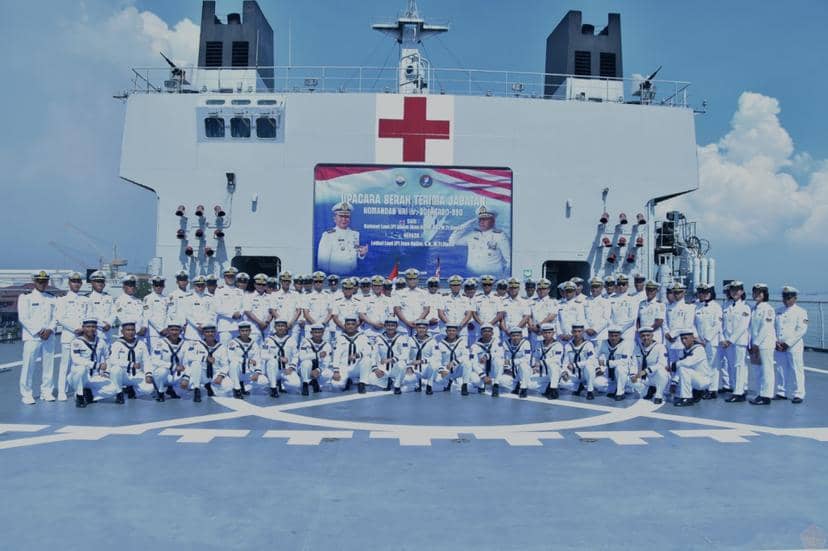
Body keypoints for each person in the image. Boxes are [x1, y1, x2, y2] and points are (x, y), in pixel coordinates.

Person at [18, 270, 57, 404]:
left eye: (44, 281)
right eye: (39, 281)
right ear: (34, 281)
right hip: (32, 337)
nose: (42, 284)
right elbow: (23, 317)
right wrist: (40, 331)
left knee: (48, 366)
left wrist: (50, 329)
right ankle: (26, 393)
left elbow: (55, 317)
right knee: (28, 366)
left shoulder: (52, 298)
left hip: (49, 336)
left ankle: (47, 391)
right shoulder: (25, 297)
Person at [448, 205, 510, 276]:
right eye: (480, 219)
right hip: (471, 277)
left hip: (491, 278)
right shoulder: (472, 235)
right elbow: (452, 241)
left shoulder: (500, 237)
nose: (482, 222)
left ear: (493, 221)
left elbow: (509, 260)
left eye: (485, 219)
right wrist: (468, 224)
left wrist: (503, 276)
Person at [54, 272, 87, 401]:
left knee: (79, 365)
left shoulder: (85, 300)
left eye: (78, 282)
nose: (76, 284)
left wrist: (84, 329)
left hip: (82, 337)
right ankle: (62, 391)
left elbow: (88, 316)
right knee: (65, 365)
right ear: (69, 283)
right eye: (73, 281)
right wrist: (75, 328)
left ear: (81, 283)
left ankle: (77, 390)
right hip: (69, 336)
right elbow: (60, 318)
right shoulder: (62, 300)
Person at [181, 324, 233, 402]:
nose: (210, 334)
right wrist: (205, 358)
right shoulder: (197, 345)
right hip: (201, 374)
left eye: (212, 332)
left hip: (215, 373)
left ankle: (210, 387)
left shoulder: (221, 347)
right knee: (195, 364)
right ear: (203, 333)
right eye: (207, 332)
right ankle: (197, 389)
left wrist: (220, 376)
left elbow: (225, 365)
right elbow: (189, 360)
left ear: (215, 333)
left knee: (228, 386)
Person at [774, 285, 808, 403]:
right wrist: (775, 341)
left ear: (795, 298)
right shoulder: (777, 311)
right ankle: (781, 392)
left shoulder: (801, 312)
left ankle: (798, 393)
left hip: (794, 346)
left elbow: (801, 330)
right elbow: (773, 328)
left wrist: (787, 343)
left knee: (796, 369)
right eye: (784, 297)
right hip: (779, 345)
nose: (786, 300)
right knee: (780, 368)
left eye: (788, 297)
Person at [68, 319, 111, 408]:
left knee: (113, 389)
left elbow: (108, 357)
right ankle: (79, 395)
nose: (91, 329)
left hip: (95, 376)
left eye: (93, 327)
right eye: (88, 327)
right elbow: (76, 360)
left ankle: (89, 393)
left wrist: (107, 372)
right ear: (83, 328)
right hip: (79, 377)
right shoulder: (76, 342)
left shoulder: (101, 342)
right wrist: (96, 365)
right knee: (81, 368)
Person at [719, 281, 751, 402]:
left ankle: (739, 392)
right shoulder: (726, 306)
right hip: (727, 342)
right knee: (732, 366)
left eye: (737, 290)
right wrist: (723, 339)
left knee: (739, 366)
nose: (734, 292)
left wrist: (731, 340)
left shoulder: (745, 307)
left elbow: (742, 326)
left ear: (741, 291)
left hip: (738, 342)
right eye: (732, 290)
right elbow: (722, 324)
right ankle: (734, 388)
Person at [317, 201, 368, 273]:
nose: (344, 219)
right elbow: (322, 263)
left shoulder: (355, 234)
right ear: (334, 218)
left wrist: (361, 254)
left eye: (347, 217)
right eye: (341, 216)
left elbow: (353, 254)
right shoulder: (328, 235)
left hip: (352, 276)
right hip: (336, 277)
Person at [108, 321, 151, 400]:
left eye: (132, 330)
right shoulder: (117, 344)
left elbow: (147, 360)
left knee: (149, 389)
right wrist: (130, 364)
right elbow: (113, 360)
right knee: (115, 369)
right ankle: (119, 392)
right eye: (128, 330)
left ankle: (133, 390)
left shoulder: (141, 344)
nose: (130, 332)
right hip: (123, 375)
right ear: (122, 332)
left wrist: (148, 374)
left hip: (137, 374)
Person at [693, 283, 723, 398]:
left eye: (706, 292)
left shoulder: (716, 307)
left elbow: (717, 325)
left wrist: (706, 339)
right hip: (698, 341)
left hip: (711, 341)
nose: (703, 294)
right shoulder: (696, 306)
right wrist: (697, 337)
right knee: (700, 365)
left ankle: (712, 389)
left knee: (712, 366)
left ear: (711, 293)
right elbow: (693, 323)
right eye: (700, 292)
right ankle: (702, 387)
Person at [749, 283, 776, 405]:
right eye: (755, 292)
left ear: (764, 294)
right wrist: (751, 343)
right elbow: (751, 328)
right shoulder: (754, 308)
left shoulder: (768, 309)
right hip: (755, 344)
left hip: (765, 344)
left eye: (759, 292)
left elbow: (765, 328)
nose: (756, 294)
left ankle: (766, 396)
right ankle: (760, 393)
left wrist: (756, 343)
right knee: (758, 370)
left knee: (767, 370)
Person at [148, 320, 187, 402]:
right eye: (172, 330)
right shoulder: (160, 343)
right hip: (165, 373)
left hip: (177, 373)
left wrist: (186, 377)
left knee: (191, 374)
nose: (174, 332)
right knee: (161, 371)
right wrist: (173, 366)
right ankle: (160, 392)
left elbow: (187, 362)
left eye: (177, 330)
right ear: (168, 331)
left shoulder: (185, 344)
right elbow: (154, 360)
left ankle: (172, 389)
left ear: (180, 331)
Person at [333, 316, 373, 393]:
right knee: (336, 385)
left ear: (356, 326)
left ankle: (362, 383)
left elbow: (369, 350)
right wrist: (336, 371)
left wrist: (358, 355)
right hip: (344, 367)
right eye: (348, 324)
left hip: (357, 366)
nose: (350, 326)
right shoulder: (340, 338)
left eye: (353, 324)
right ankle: (348, 381)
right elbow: (336, 355)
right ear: (345, 326)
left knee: (367, 359)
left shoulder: (362, 337)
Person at [672, 330, 711, 407]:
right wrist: (674, 382)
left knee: (683, 369)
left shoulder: (699, 349)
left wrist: (674, 364)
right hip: (693, 379)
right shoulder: (682, 351)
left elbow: (688, 362)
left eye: (686, 338)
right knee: (681, 370)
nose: (683, 341)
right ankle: (697, 392)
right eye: (682, 339)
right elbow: (679, 368)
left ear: (692, 338)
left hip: (703, 380)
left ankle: (687, 398)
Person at [374, 318, 413, 394]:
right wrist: (375, 368)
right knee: (371, 378)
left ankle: (397, 386)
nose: (390, 327)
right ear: (384, 326)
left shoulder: (402, 338)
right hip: (383, 366)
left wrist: (392, 359)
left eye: (392, 325)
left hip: (396, 365)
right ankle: (386, 383)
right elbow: (374, 354)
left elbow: (405, 354)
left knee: (402, 364)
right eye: (388, 325)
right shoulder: (379, 338)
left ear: (396, 326)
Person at [429, 323, 470, 394]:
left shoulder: (462, 342)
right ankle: (449, 383)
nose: (451, 332)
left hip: (457, 369)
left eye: (453, 331)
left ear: (457, 332)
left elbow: (466, 355)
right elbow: (437, 359)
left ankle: (464, 386)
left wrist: (454, 362)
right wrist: (441, 370)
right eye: (449, 330)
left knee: (467, 363)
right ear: (446, 331)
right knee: (437, 383)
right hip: (446, 369)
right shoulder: (440, 344)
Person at [596, 327, 636, 401]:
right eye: (611, 336)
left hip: (624, 373)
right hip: (609, 372)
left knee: (620, 368)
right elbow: (594, 357)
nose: (613, 338)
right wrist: (598, 368)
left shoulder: (626, 344)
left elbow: (624, 361)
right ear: (608, 335)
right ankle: (614, 388)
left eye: (616, 336)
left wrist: (606, 362)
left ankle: (620, 392)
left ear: (620, 335)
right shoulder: (602, 343)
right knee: (597, 383)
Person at [632, 326, 669, 405]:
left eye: (648, 335)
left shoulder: (660, 347)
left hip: (656, 376)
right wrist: (633, 375)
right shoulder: (637, 348)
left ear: (652, 336)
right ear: (640, 337)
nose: (646, 338)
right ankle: (650, 389)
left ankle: (658, 395)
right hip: (644, 378)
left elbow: (662, 364)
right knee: (628, 378)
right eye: (643, 336)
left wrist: (646, 371)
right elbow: (633, 363)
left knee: (662, 372)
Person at [227, 321, 264, 399]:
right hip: (238, 370)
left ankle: (242, 384)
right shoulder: (233, 342)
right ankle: (237, 389)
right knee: (233, 364)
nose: (245, 333)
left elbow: (257, 358)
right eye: (242, 331)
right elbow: (231, 357)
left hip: (249, 370)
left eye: (247, 330)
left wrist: (257, 372)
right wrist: (247, 361)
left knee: (263, 381)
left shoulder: (254, 344)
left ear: (250, 331)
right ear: (239, 331)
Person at [262, 319, 298, 397]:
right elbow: (263, 355)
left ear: (286, 327)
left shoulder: (291, 340)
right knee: (271, 362)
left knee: (296, 385)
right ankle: (273, 388)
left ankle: (281, 384)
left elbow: (296, 356)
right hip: (274, 369)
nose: (280, 328)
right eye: (278, 326)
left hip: (286, 368)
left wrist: (291, 367)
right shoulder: (268, 340)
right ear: (275, 327)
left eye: (282, 326)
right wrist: (277, 357)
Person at [561, 324, 598, 399]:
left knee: (590, 367)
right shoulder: (568, 346)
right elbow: (565, 362)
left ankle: (590, 391)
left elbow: (591, 360)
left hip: (585, 373)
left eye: (579, 331)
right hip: (574, 373)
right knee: (562, 382)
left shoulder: (588, 344)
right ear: (572, 332)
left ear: (583, 332)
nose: (577, 334)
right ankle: (579, 387)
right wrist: (564, 371)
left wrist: (575, 365)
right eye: (574, 331)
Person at [531, 323, 565, 399]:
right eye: (545, 333)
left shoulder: (558, 345)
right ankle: (547, 387)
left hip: (554, 372)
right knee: (530, 385)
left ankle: (553, 390)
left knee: (553, 366)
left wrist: (541, 362)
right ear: (542, 333)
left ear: (553, 333)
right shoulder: (539, 344)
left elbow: (556, 359)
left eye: (549, 332)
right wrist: (533, 366)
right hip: (542, 372)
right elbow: (535, 357)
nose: (547, 335)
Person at [297, 323, 332, 395]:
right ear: (311, 333)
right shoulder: (305, 342)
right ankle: (305, 384)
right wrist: (317, 355)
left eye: (319, 332)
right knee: (306, 363)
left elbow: (327, 361)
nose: (317, 334)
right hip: (306, 370)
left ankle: (315, 382)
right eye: (315, 332)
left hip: (318, 369)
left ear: (323, 333)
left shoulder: (327, 345)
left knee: (329, 374)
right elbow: (301, 357)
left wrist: (319, 370)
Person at [470, 323, 505, 396]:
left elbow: (501, 355)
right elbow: (473, 363)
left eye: (489, 331)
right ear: (481, 333)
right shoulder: (475, 346)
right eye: (484, 331)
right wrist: (483, 376)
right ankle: (482, 386)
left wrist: (488, 356)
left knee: (499, 360)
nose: (487, 333)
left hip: (493, 371)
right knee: (474, 379)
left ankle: (496, 384)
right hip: (481, 371)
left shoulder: (497, 342)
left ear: (492, 333)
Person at [393, 269, 429, 335]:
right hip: (403, 326)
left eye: (414, 279)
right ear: (406, 280)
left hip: (418, 326)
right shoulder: (399, 293)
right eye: (410, 279)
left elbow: (426, 310)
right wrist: (407, 322)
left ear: (418, 280)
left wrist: (417, 321)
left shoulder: (424, 293)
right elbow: (397, 310)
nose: (412, 281)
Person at [214, 267, 244, 344]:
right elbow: (217, 308)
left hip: (237, 326)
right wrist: (232, 314)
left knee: (237, 349)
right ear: (224, 277)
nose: (230, 278)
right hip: (225, 327)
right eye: (228, 276)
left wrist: (240, 313)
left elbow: (243, 306)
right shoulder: (219, 290)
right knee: (224, 349)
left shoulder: (240, 291)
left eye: (232, 276)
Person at [439, 275, 473, 342]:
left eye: (457, 285)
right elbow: (440, 313)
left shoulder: (466, 299)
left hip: (461, 330)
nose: (455, 287)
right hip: (446, 330)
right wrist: (450, 326)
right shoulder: (443, 298)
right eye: (453, 285)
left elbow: (469, 314)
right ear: (450, 286)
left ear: (461, 286)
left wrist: (460, 325)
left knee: (462, 347)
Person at [408, 319, 437, 392]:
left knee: (434, 364)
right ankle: (418, 383)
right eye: (419, 328)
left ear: (427, 329)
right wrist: (408, 366)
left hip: (426, 368)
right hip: (413, 367)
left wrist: (422, 361)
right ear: (416, 328)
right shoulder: (410, 340)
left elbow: (437, 357)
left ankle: (429, 385)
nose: (421, 330)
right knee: (405, 382)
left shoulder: (433, 341)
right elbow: (404, 355)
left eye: (423, 328)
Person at [503, 326, 533, 398]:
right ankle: (516, 385)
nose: (515, 338)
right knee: (501, 381)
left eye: (517, 335)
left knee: (523, 365)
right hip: (511, 370)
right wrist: (506, 368)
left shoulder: (526, 343)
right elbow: (504, 358)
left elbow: (527, 359)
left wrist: (512, 362)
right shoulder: (505, 343)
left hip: (523, 370)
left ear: (521, 336)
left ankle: (523, 388)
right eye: (513, 336)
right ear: (510, 336)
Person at [183, 275, 215, 341]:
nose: (200, 287)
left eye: (202, 285)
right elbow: (188, 315)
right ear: (194, 286)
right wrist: (197, 326)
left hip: (206, 330)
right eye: (198, 285)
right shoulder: (188, 298)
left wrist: (204, 325)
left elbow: (211, 313)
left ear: (205, 286)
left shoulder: (210, 298)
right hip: (192, 331)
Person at [529, 278, 558, 349]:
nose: (542, 291)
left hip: (546, 332)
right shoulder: (532, 301)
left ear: (548, 290)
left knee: (546, 351)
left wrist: (539, 326)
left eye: (544, 289)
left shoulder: (553, 301)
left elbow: (551, 316)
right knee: (534, 351)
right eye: (540, 289)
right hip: (534, 333)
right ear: (537, 290)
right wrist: (532, 327)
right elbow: (529, 316)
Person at [143, 275, 171, 351]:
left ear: (163, 286)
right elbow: (148, 316)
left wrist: (167, 328)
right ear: (153, 286)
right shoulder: (148, 298)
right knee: (154, 353)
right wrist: (160, 329)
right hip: (153, 333)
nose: (158, 287)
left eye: (160, 285)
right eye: (156, 285)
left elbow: (168, 314)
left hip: (165, 332)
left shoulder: (166, 299)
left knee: (165, 352)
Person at [244, 274, 273, 344]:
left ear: (266, 286)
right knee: (254, 348)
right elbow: (247, 312)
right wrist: (260, 323)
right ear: (255, 285)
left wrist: (266, 323)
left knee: (268, 348)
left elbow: (272, 311)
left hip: (267, 328)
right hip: (254, 329)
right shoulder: (249, 296)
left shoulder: (270, 297)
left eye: (263, 285)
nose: (261, 286)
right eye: (259, 284)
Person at [583, 277, 610, 352]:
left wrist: (595, 330)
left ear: (601, 288)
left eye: (597, 287)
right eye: (592, 287)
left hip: (600, 335)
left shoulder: (606, 301)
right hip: (587, 335)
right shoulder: (585, 301)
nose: (594, 289)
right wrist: (587, 328)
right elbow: (582, 317)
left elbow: (606, 319)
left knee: (600, 356)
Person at [86, 270, 114, 343]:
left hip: (108, 334)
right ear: (92, 283)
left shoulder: (109, 297)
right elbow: (89, 315)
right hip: (96, 333)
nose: (100, 284)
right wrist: (102, 325)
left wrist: (109, 323)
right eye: (97, 281)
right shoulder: (88, 298)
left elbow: (113, 313)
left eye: (102, 281)